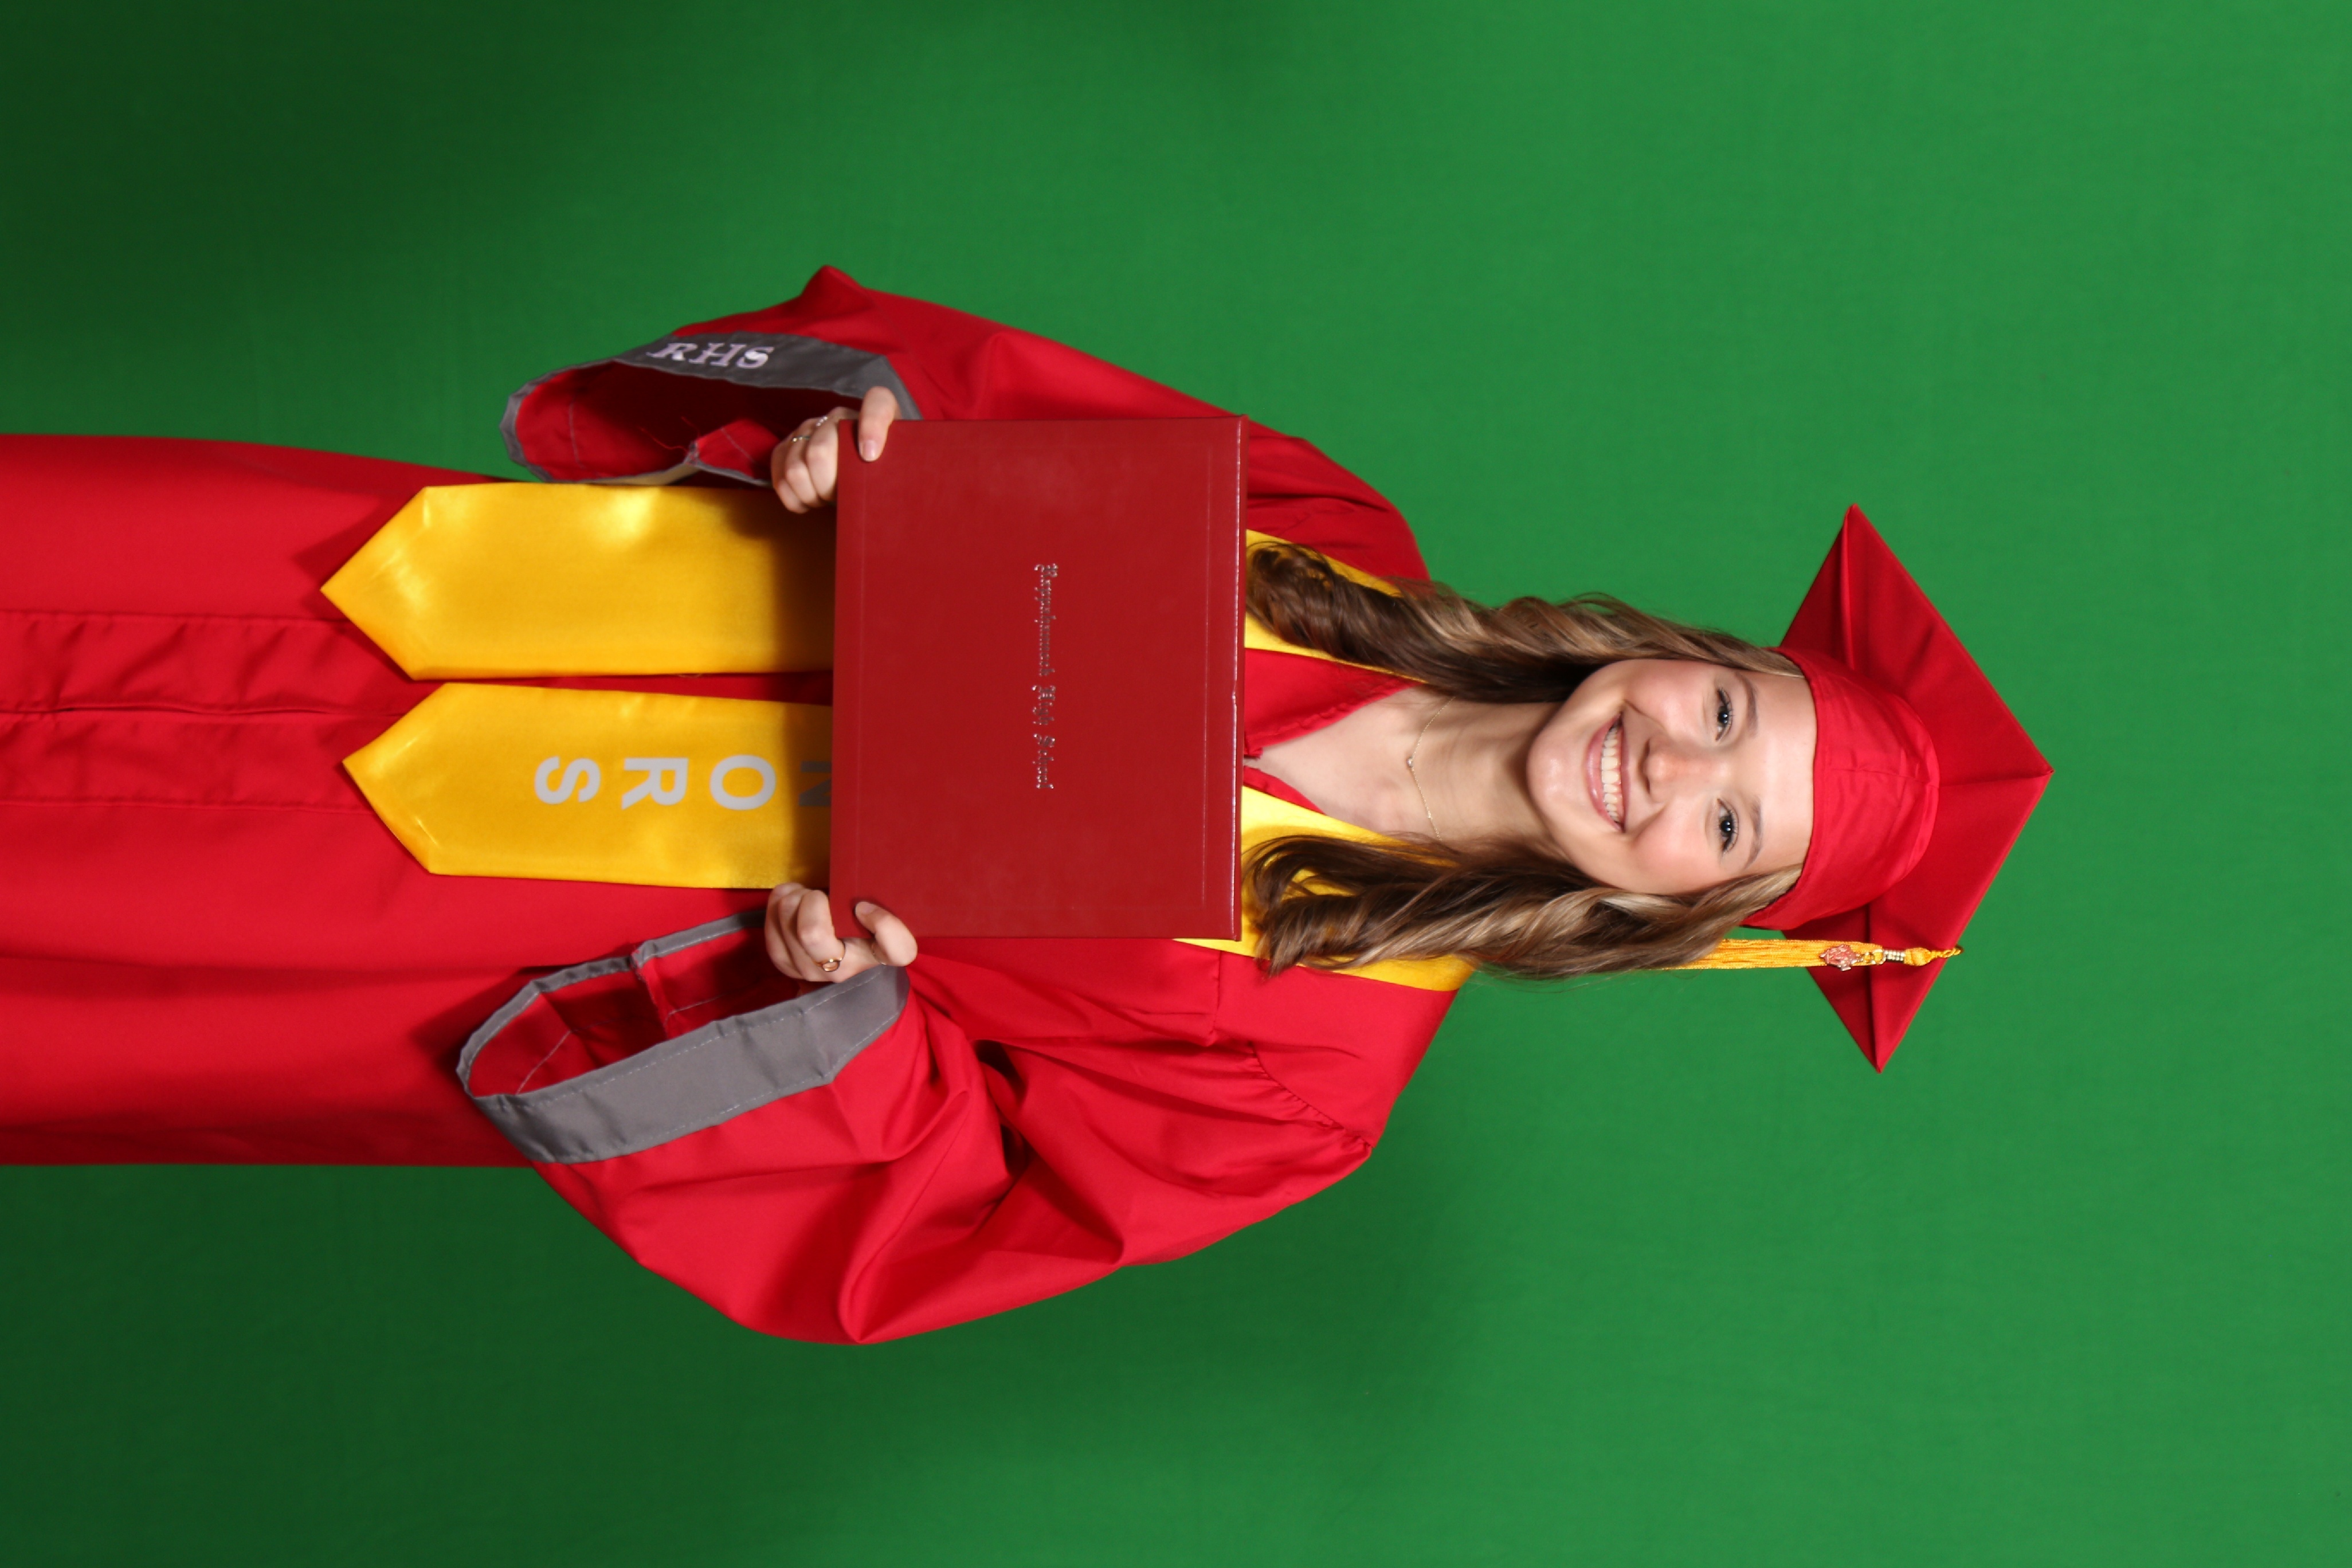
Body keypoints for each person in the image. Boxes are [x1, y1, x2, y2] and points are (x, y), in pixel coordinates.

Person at [0, 268, 2047, 1342]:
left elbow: (929, 1219)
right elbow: (940, 391)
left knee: (83, 915)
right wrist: (851, 443)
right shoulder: (1322, 534)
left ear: (1684, 915)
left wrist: (845, 1013)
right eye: (1722, 710)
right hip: (394, 593)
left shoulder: (1307, 1080)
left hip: (468, 910)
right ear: (1679, 648)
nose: (1670, 764)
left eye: (1724, 825)